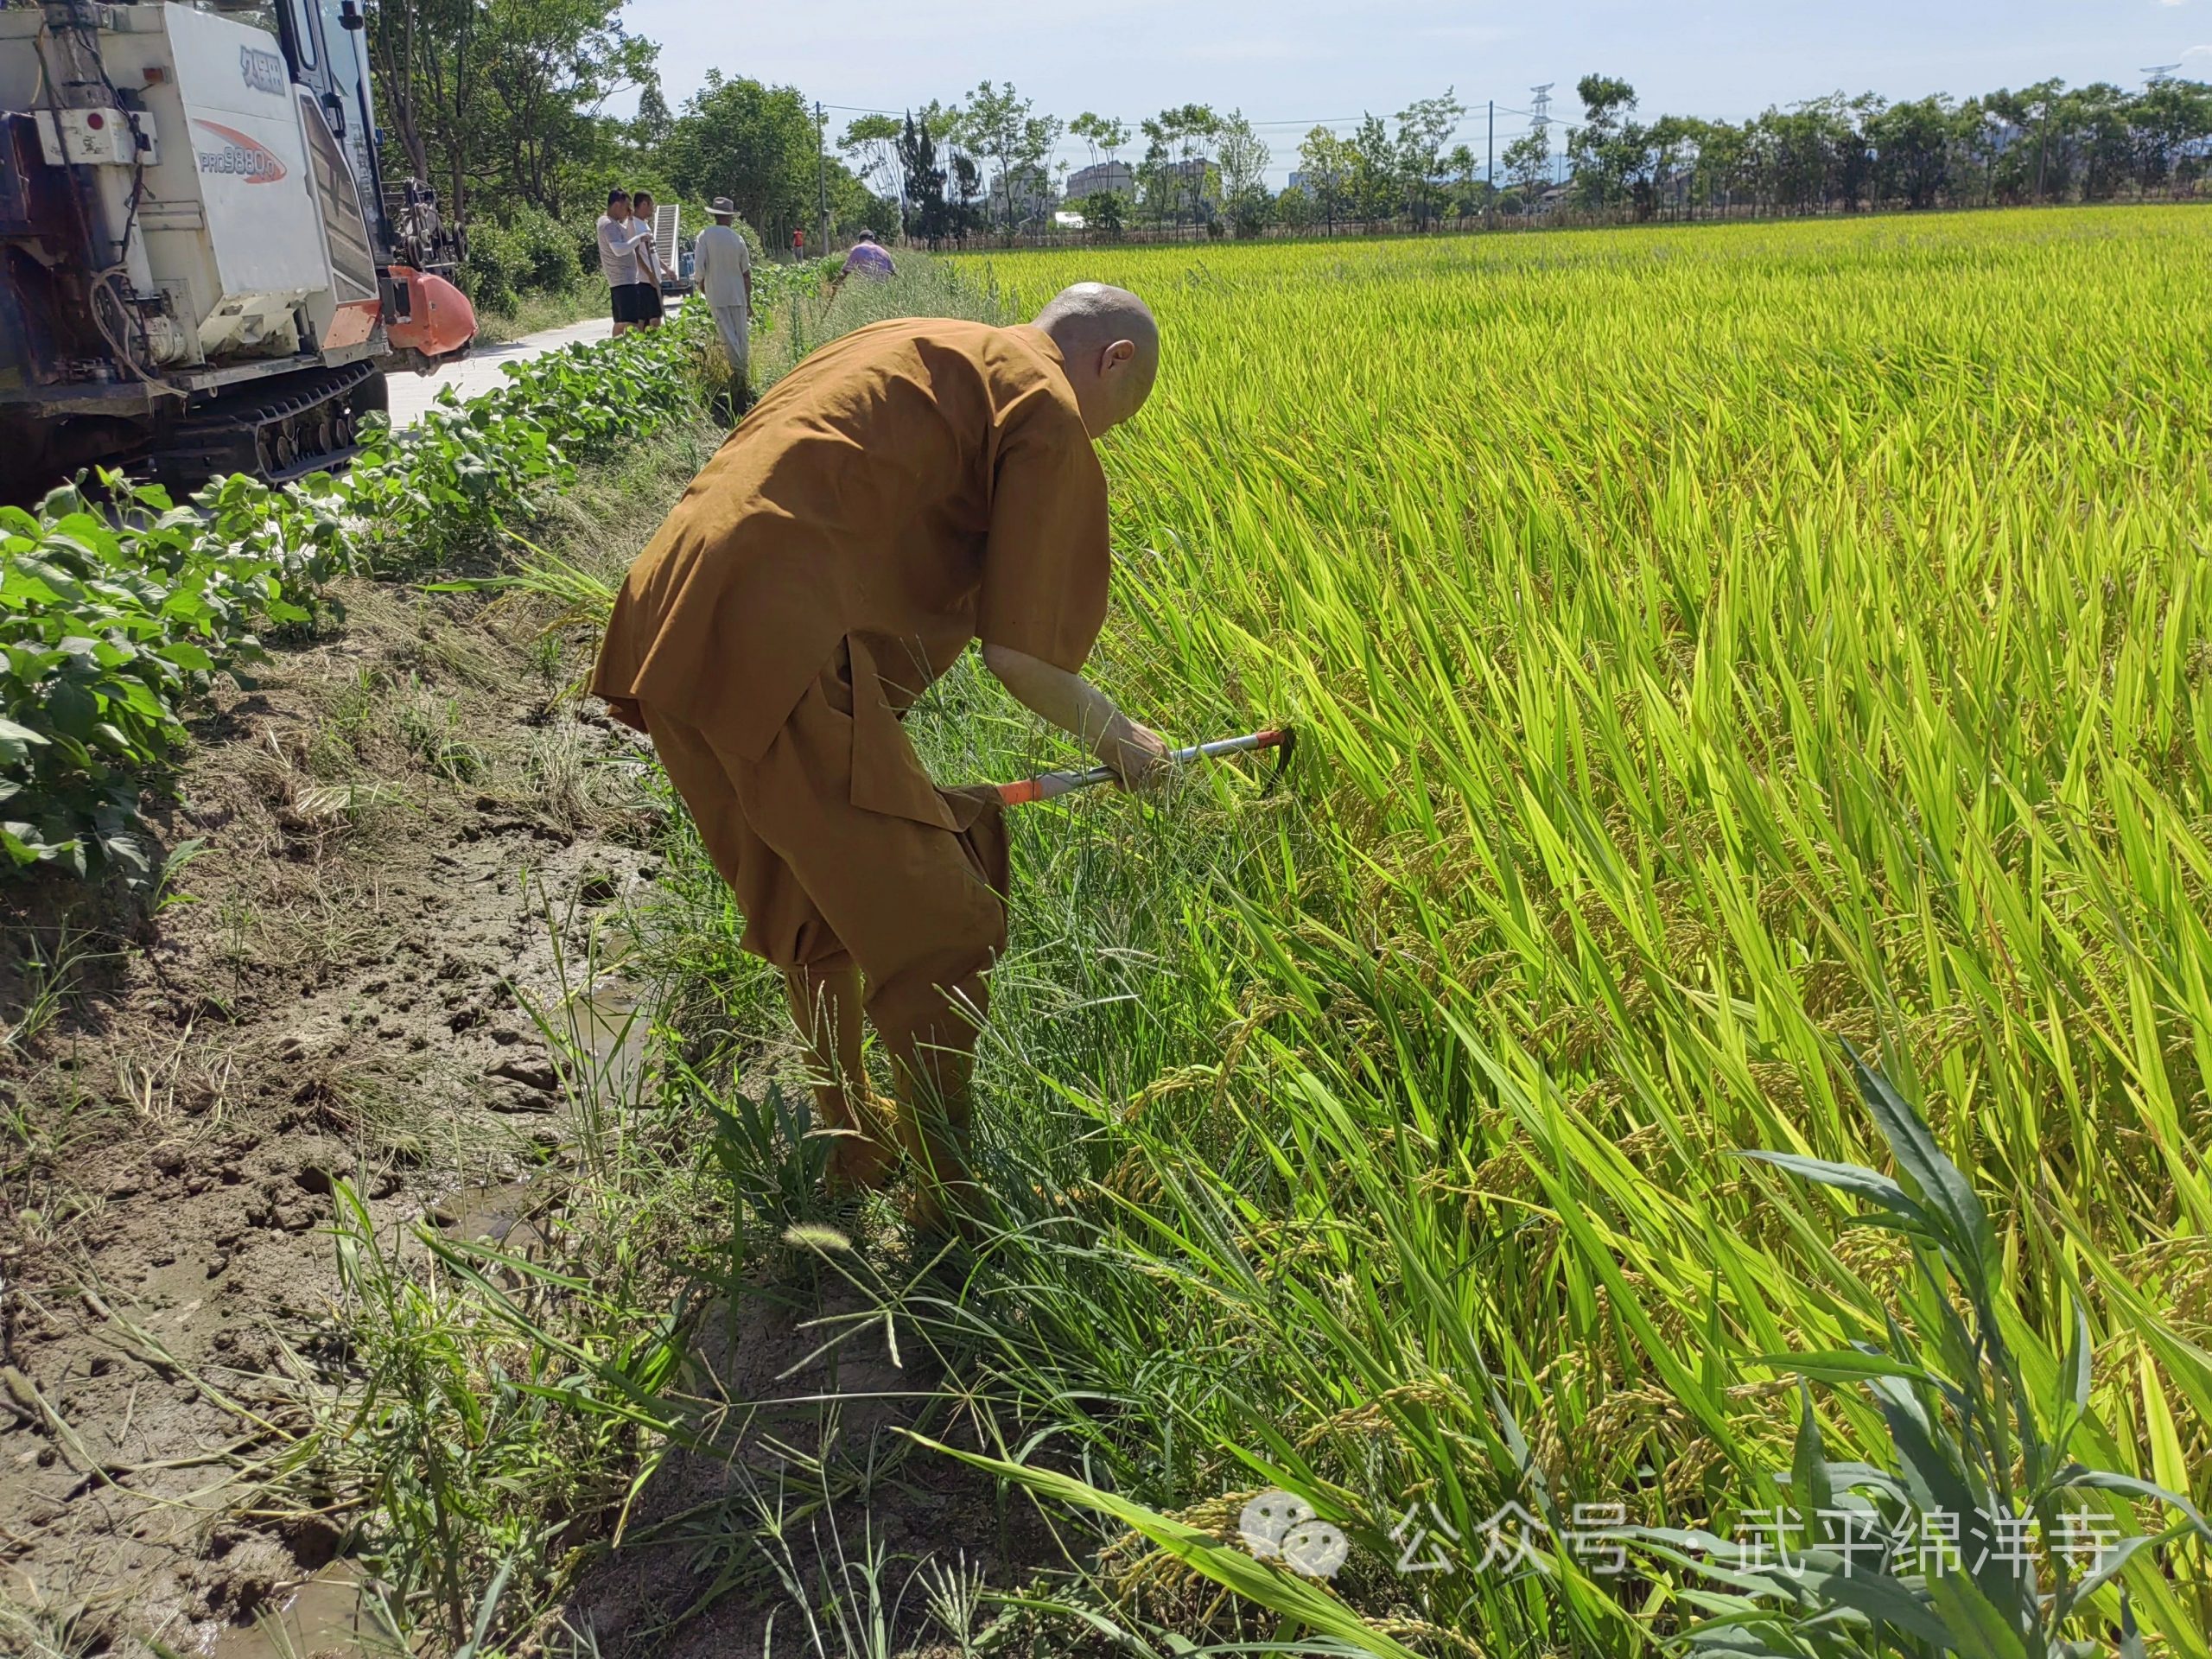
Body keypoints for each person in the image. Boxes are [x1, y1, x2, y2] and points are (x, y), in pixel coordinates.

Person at [590, 285, 1166, 1229]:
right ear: (1111, 363)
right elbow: (1020, 654)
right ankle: (952, 1207)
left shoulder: (920, 338)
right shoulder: (1044, 401)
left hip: (671, 612)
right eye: (1118, 419)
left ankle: (851, 1141)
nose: (1098, 438)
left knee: (806, 902)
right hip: (771, 633)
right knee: (942, 928)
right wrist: (1121, 737)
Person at [693, 196, 754, 396]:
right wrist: (749, 301)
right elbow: (746, 273)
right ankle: (742, 375)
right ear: (730, 217)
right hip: (737, 293)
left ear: (715, 216)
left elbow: (699, 267)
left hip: (716, 293)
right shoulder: (737, 239)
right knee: (741, 335)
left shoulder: (705, 236)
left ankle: (739, 375)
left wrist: (701, 284)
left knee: (727, 335)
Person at [596, 188, 653, 337]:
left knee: (623, 321)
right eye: (626, 207)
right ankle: (627, 352)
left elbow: (628, 237)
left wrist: (631, 219)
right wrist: (640, 238)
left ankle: (617, 351)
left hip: (626, 279)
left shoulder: (615, 224)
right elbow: (619, 249)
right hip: (622, 280)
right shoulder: (607, 224)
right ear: (617, 205)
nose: (628, 210)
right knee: (630, 323)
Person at [627, 189, 671, 330]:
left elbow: (652, 253)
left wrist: (666, 269)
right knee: (652, 319)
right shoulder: (635, 225)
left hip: (653, 279)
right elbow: (636, 254)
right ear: (644, 204)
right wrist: (650, 275)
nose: (653, 209)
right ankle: (651, 346)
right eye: (652, 205)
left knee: (648, 318)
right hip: (645, 281)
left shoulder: (644, 224)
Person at [831, 230, 897, 291]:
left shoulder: (857, 250)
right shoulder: (885, 253)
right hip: (882, 291)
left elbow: (845, 271)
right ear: (873, 240)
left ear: (860, 240)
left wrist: (835, 284)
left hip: (864, 290)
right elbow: (893, 272)